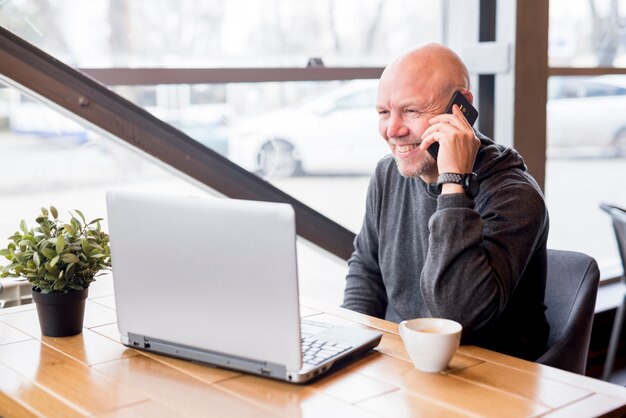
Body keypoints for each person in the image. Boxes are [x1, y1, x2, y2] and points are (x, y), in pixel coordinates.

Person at [342, 43, 550, 361]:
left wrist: (453, 183)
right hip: (408, 365)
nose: (392, 130)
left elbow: (460, 318)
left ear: (461, 108)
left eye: (412, 111)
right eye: (384, 112)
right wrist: (347, 347)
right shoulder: (387, 174)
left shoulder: (514, 193)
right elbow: (367, 271)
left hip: (492, 379)